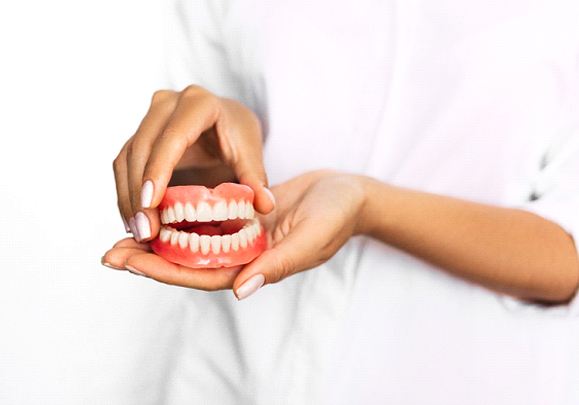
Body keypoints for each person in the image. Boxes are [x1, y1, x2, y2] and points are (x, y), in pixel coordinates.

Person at [102, 0, 579, 403]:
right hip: (228, 374)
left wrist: (369, 206)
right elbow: (212, 163)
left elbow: (568, 251)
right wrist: (204, 144)